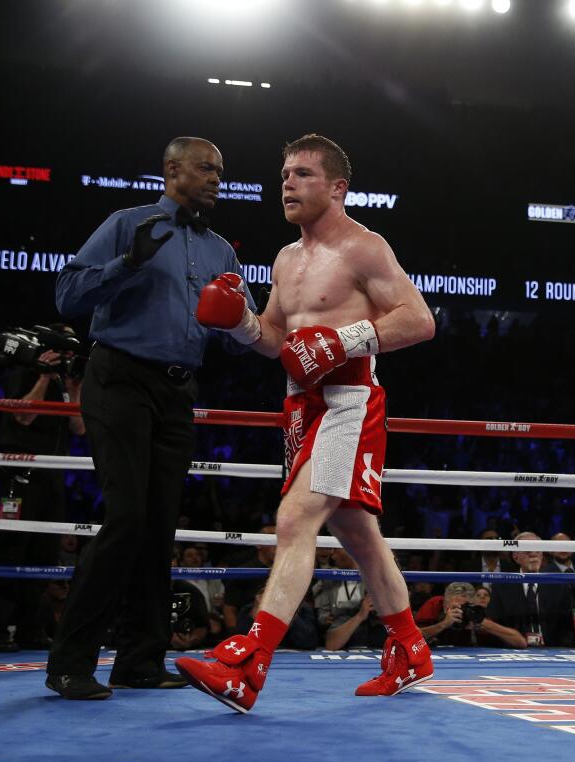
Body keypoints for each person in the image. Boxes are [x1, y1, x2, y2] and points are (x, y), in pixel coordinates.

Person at [176, 133, 436, 713]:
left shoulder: (365, 247)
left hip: (348, 402)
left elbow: (419, 320)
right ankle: (410, 646)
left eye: (302, 174)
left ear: (338, 187)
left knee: (295, 518)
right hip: (300, 407)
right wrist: (240, 323)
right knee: (357, 536)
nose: (287, 183)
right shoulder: (287, 259)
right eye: (284, 173)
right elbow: (279, 342)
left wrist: (344, 339)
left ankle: (248, 663)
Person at [46, 136, 251, 701]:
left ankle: (139, 660)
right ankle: (69, 661)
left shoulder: (220, 252)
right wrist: (126, 263)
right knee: (128, 518)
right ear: (172, 170)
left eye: (220, 170)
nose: (216, 178)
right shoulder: (127, 223)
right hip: (119, 380)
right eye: (206, 168)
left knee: (158, 526)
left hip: (177, 393)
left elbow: (243, 334)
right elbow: (68, 296)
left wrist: (242, 321)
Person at [0, 324, 86, 652]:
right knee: (9, 549)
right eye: (64, 350)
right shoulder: (24, 371)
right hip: (18, 473)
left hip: (51, 475)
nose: (68, 356)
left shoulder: (64, 381)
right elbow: (22, 418)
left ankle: (31, 628)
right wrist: (42, 376)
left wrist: (75, 387)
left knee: (43, 552)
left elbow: (79, 427)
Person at [417, 582, 526, 648]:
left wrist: (484, 624)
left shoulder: (475, 612)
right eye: (455, 607)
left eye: (463, 607)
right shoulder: (435, 604)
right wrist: (443, 624)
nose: (460, 612)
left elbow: (520, 642)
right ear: (445, 604)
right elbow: (411, 637)